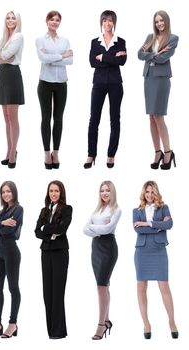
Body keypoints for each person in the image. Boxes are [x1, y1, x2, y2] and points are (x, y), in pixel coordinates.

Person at [133, 180, 178, 339]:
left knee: (164, 286)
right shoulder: (136, 210)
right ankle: (146, 324)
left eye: (152, 192)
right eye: (147, 192)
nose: (150, 195)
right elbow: (138, 229)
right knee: (141, 287)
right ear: (143, 194)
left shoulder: (164, 208)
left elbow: (170, 224)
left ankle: (172, 322)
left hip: (159, 250)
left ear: (156, 193)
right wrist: (158, 226)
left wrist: (147, 223)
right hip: (142, 251)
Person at [84, 10, 126, 169]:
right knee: (94, 119)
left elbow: (122, 61)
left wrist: (103, 57)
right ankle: (91, 154)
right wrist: (112, 58)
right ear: (101, 22)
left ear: (114, 22)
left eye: (110, 21)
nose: (107, 24)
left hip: (116, 83)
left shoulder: (120, 41)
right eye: (104, 21)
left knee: (115, 119)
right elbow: (92, 63)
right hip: (99, 83)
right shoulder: (95, 42)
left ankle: (111, 155)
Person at [137, 11, 178, 170]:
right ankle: (157, 152)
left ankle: (168, 152)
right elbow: (139, 54)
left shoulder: (173, 38)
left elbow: (163, 59)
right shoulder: (150, 37)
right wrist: (157, 52)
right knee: (151, 117)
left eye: (162, 21)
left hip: (161, 80)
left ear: (166, 21)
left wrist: (153, 54)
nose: (159, 23)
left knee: (159, 116)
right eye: (157, 21)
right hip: (148, 78)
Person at [84, 181, 121, 340]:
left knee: (101, 285)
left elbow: (107, 230)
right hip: (96, 248)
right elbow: (85, 229)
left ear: (112, 192)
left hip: (108, 248)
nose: (105, 193)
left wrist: (95, 228)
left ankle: (100, 325)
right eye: (102, 191)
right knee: (104, 286)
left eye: (107, 190)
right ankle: (106, 320)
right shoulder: (97, 210)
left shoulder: (117, 210)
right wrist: (98, 229)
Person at [34, 180, 72, 339]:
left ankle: (59, 332)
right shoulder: (44, 210)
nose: (54, 193)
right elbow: (36, 231)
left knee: (57, 292)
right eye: (51, 191)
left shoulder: (67, 209)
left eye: (57, 191)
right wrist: (50, 234)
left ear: (61, 193)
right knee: (47, 292)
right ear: (48, 193)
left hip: (60, 252)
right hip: (46, 252)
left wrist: (46, 229)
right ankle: (51, 331)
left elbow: (62, 228)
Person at [35, 11, 73, 169]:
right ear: (47, 21)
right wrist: (61, 56)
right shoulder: (40, 40)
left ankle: (55, 152)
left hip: (61, 83)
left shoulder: (65, 40)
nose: (55, 22)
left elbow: (70, 60)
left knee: (58, 118)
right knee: (46, 118)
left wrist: (54, 57)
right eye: (52, 19)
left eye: (57, 20)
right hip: (45, 82)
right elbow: (42, 59)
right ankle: (46, 152)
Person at [0, 181, 23, 338]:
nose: (6, 194)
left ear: (14, 192)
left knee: (13, 287)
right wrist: (1, 223)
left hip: (11, 251)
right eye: (3, 192)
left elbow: (10, 229)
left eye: (8, 191)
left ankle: (13, 323)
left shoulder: (18, 209)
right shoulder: (3, 211)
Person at [0, 11, 24, 169]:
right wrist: (0, 57)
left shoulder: (18, 36)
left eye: (13, 18)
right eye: (8, 18)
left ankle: (13, 152)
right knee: (6, 117)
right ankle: (9, 150)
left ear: (18, 21)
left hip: (12, 76)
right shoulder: (5, 38)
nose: (10, 20)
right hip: (3, 75)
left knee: (13, 117)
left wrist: (0, 56)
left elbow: (6, 54)